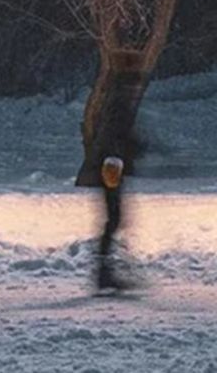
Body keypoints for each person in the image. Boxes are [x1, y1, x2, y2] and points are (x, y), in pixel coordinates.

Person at [89, 51, 147, 294]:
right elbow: (116, 134)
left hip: (111, 165)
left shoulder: (115, 99)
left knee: (114, 218)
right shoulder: (120, 102)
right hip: (110, 167)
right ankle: (104, 273)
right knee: (114, 218)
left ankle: (106, 272)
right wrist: (129, 150)